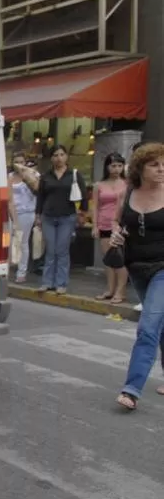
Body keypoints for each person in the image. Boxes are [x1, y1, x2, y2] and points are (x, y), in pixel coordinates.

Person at [111, 142, 164, 410]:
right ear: (141, 167)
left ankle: (131, 390)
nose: (161, 168)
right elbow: (117, 222)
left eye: (163, 164)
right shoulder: (129, 192)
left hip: (163, 269)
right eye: (155, 164)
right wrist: (117, 233)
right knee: (159, 324)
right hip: (136, 267)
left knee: (148, 326)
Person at [34, 145, 88, 294]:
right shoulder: (46, 176)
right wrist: (38, 215)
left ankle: (61, 283)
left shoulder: (74, 174)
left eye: (62, 154)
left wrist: (83, 214)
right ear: (51, 158)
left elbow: (84, 195)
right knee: (50, 250)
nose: (59, 158)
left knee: (62, 250)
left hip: (67, 216)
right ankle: (47, 282)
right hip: (48, 216)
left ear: (66, 157)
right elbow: (40, 196)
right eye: (56, 155)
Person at [92, 152, 128, 303]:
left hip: (121, 225)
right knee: (108, 259)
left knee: (120, 259)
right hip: (104, 223)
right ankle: (110, 289)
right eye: (113, 166)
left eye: (120, 166)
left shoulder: (127, 184)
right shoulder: (99, 185)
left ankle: (121, 291)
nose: (116, 169)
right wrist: (94, 225)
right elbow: (95, 206)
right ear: (107, 167)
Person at [8, 151, 38, 283]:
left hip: (27, 212)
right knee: (10, 241)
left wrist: (27, 177)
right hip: (11, 212)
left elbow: (38, 192)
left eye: (22, 162)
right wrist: (14, 220)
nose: (19, 164)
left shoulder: (33, 175)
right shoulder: (9, 176)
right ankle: (10, 266)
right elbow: (9, 200)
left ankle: (22, 272)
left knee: (23, 242)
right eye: (17, 162)